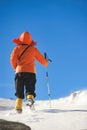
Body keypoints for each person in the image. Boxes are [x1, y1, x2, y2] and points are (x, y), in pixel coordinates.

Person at [10, 32, 48, 112]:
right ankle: (30, 98)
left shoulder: (17, 49)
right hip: (31, 72)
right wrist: (46, 62)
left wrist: (15, 68)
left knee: (19, 90)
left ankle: (18, 107)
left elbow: (12, 60)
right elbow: (42, 61)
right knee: (30, 88)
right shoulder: (33, 50)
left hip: (19, 72)